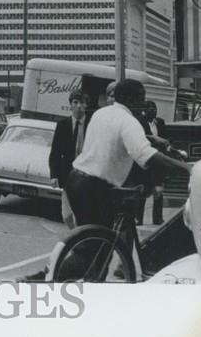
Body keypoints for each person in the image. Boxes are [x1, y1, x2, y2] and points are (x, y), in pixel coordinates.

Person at [65, 79, 192, 230]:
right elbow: (146, 155)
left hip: (75, 181)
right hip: (95, 188)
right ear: (131, 99)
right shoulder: (129, 122)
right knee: (99, 245)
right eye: (142, 98)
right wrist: (186, 168)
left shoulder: (101, 113)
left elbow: (113, 135)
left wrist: (152, 138)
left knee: (87, 240)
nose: (144, 103)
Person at [48, 90, 89, 229]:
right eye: (75, 103)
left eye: (82, 103)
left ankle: (79, 242)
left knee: (83, 213)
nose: (78, 106)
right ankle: (75, 235)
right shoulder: (63, 125)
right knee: (67, 215)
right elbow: (55, 152)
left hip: (87, 175)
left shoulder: (92, 125)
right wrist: (53, 175)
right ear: (70, 105)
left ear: (86, 105)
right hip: (68, 176)